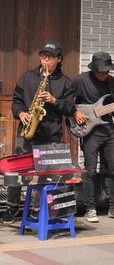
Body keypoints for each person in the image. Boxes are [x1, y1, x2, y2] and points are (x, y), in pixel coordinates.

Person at [2, 40, 85, 224]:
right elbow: (16, 101)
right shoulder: (27, 77)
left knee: (44, 174)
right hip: (27, 133)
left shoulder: (65, 82)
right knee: (17, 170)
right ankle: (12, 207)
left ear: (59, 59)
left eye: (50, 57)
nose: (45, 60)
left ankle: (37, 209)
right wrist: (21, 112)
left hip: (50, 135)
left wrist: (55, 100)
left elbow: (70, 108)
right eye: (43, 56)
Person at [71, 51, 114, 222]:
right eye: (101, 72)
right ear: (93, 69)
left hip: (108, 130)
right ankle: (90, 208)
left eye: (107, 71)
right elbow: (66, 101)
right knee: (90, 170)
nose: (104, 75)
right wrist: (75, 112)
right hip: (89, 131)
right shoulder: (80, 80)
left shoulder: (112, 82)